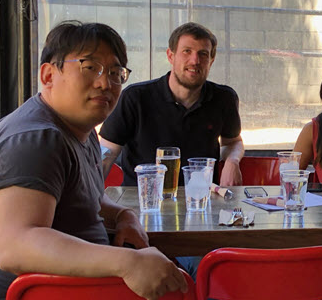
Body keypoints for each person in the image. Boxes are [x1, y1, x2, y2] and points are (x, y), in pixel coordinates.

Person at [0, 21, 187, 300]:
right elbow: (16, 246)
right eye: (90, 67)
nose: (105, 83)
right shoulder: (34, 139)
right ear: (48, 75)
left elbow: (80, 200)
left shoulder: (81, 133)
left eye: (115, 72)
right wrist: (127, 262)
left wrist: (122, 216)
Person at [100, 22, 243, 187]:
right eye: (186, 51)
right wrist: (90, 198)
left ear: (211, 60)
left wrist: (232, 161)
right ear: (170, 56)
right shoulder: (135, 97)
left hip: (200, 198)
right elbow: (107, 152)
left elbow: (233, 142)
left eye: (203, 54)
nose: (195, 60)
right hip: (143, 201)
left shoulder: (224, 98)